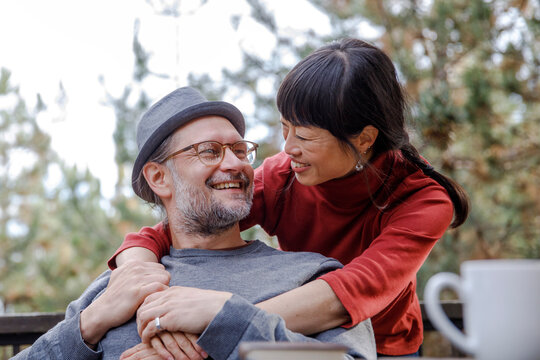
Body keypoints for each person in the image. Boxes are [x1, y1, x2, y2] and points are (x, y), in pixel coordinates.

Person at [110, 38, 470, 357]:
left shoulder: (423, 201)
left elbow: (348, 294)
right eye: (285, 128)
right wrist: (140, 284)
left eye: (305, 136)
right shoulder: (284, 177)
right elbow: (178, 225)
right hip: (290, 334)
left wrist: (215, 318)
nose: (288, 148)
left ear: (364, 138)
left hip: (383, 344)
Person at [14, 87, 376, 360]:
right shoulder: (115, 290)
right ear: (158, 178)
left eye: (238, 150)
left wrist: (227, 321)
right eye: (210, 151)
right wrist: (87, 326)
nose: (235, 164)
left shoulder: (310, 279)